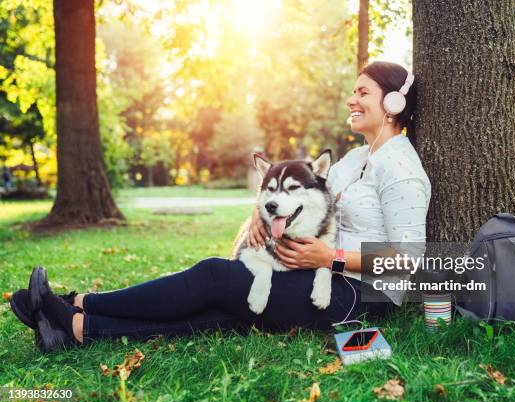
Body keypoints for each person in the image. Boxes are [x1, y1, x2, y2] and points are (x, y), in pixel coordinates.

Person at [10, 61, 431, 353]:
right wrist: (258, 212)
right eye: (352, 92)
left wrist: (330, 257)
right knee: (224, 311)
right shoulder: (356, 159)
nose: (351, 100)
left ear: (393, 103)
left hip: (355, 298)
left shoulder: (401, 169)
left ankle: (79, 303)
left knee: (215, 276)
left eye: (363, 93)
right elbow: (299, 188)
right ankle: (77, 327)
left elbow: (409, 262)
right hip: (313, 273)